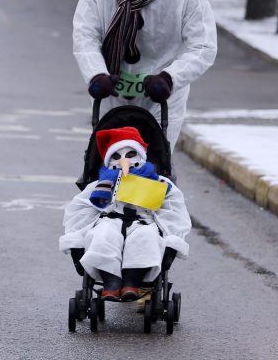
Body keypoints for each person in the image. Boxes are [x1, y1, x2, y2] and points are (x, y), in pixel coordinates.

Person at [72, 0, 217, 153]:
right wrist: (96, 74)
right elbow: (86, 32)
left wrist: (170, 78)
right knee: (107, 161)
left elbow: (203, 46)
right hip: (112, 90)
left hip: (161, 96)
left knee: (154, 165)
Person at [60, 126, 190, 302]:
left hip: (143, 222)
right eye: (117, 156)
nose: (124, 160)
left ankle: (132, 281)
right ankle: (111, 281)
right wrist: (77, 234)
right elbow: (81, 208)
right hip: (110, 220)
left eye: (130, 154)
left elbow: (173, 209)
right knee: (103, 236)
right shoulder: (101, 184)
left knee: (145, 237)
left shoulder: (159, 182)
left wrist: (171, 235)